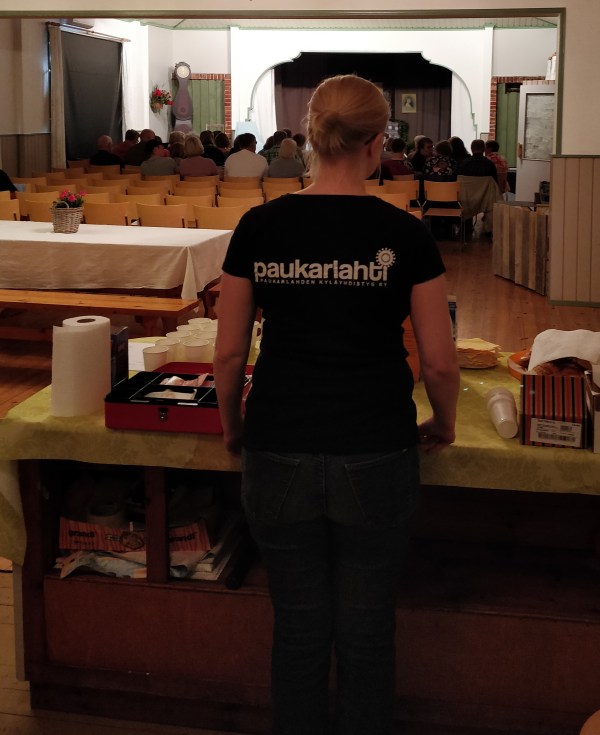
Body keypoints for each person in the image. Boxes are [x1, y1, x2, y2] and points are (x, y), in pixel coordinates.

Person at [213, 74, 459, 735]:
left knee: (297, 628)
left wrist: (234, 428)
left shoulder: (259, 225)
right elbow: (440, 362)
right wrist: (444, 422)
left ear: (312, 138)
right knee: (367, 630)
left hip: (278, 441)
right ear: (378, 143)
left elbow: (229, 355)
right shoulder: (405, 233)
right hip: (376, 445)